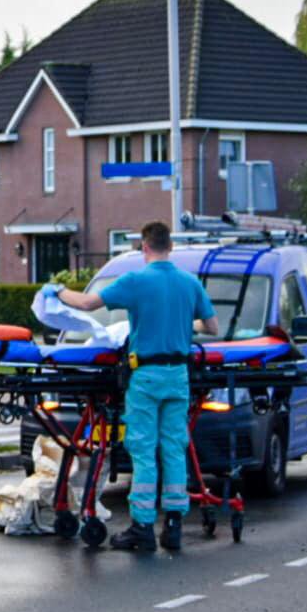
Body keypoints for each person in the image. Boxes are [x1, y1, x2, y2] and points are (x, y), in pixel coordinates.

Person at [53, 220, 218, 552]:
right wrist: (183, 321)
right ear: (169, 246)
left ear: (144, 247)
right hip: (179, 376)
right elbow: (211, 326)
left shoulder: (136, 281)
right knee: (174, 448)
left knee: (143, 451)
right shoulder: (189, 283)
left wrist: (55, 290)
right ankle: (173, 524)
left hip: (146, 375)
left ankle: (143, 526)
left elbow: (86, 304)